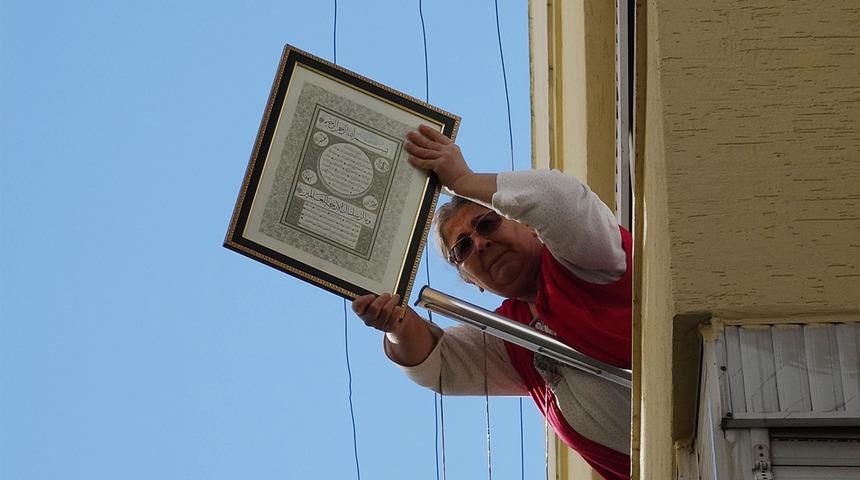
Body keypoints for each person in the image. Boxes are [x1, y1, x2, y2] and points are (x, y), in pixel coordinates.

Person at [352, 125, 632, 480]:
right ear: (472, 281)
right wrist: (396, 324)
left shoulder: (585, 259)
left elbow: (561, 199)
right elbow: (439, 364)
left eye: (487, 224)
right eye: (463, 248)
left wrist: (464, 180)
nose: (480, 243)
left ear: (529, 226)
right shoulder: (509, 337)